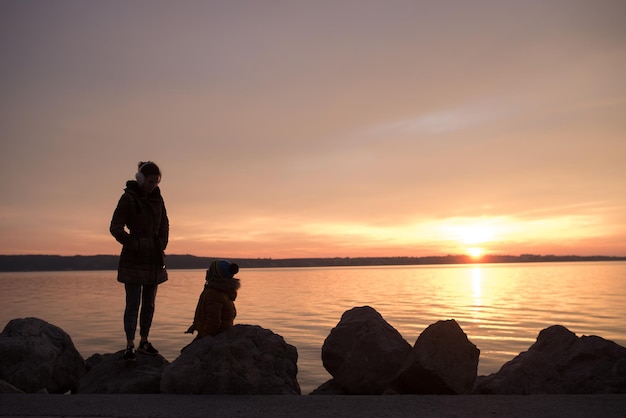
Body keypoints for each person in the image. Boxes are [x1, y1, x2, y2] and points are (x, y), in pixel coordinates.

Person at [110, 161, 169, 361]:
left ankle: (144, 341)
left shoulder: (158, 200)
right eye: (150, 181)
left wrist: (161, 244)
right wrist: (134, 244)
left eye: (156, 182)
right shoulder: (128, 198)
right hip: (133, 258)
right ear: (141, 179)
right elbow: (115, 227)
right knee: (133, 303)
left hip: (154, 257)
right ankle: (129, 344)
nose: (153, 185)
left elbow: (164, 225)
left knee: (149, 304)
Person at [185, 259, 240, 343]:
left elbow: (214, 321)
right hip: (219, 334)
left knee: (187, 353)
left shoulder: (214, 294)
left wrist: (204, 339)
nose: (207, 271)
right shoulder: (223, 291)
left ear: (214, 275)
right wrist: (196, 325)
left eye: (209, 270)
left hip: (215, 336)